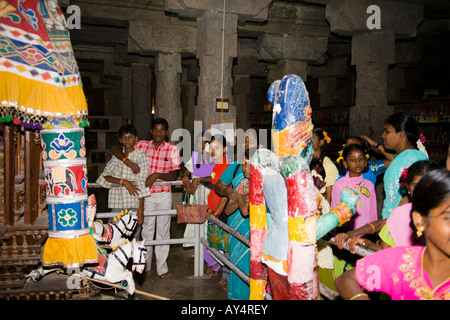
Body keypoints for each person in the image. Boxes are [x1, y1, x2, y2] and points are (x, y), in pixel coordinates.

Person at [335, 169, 450, 300]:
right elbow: (346, 279)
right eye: (448, 218)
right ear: (420, 221)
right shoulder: (403, 261)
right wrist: (363, 241)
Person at [112, 118, 180, 279]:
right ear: (151, 131)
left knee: (163, 231)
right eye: (155, 129)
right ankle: (146, 265)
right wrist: (126, 160)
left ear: (167, 132)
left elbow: (174, 174)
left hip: (163, 193)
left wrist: (156, 175)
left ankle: (162, 268)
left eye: (161, 130)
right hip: (145, 195)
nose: (158, 133)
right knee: (147, 230)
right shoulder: (142, 145)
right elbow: (116, 148)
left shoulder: (172, 149)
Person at [335, 160, 440, 253]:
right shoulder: (401, 213)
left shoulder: (444, 215)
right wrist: (366, 244)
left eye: (429, 184)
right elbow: (383, 250)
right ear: (408, 186)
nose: (422, 190)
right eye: (416, 185)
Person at [213, 148, 255, 300]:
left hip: (256, 225)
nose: (247, 169)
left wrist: (238, 196)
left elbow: (245, 210)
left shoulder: (264, 173)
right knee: (237, 262)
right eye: (245, 164)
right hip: (236, 224)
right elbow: (218, 186)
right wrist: (229, 192)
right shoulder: (235, 166)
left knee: (253, 265)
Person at [96, 124, 150, 230]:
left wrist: (141, 209)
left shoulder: (141, 157)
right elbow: (104, 177)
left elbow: (142, 183)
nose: (127, 141)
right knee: (114, 234)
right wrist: (123, 181)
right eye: (124, 138)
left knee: (133, 236)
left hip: (134, 203)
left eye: (130, 137)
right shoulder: (116, 157)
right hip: (117, 203)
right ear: (120, 140)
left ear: (136, 139)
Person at [377, 112, 428, 219]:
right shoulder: (399, 156)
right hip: (390, 222)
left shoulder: (415, 159)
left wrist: (392, 222)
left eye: (387, 132)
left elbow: (409, 198)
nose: (383, 136)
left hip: (402, 221)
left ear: (401, 135)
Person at [331, 144, 377, 232]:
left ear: (366, 161)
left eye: (361, 158)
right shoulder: (340, 185)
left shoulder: (369, 185)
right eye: (352, 160)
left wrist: (373, 231)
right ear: (345, 163)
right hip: (347, 233)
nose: (357, 162)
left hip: (366, 233)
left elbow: (373, 213)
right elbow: (336, 212)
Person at [309, 128, 339, 204]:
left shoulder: (328, 165)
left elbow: (329, 197)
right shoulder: (302, 160)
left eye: (312, 138)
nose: (308, 141)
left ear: (321, 142)